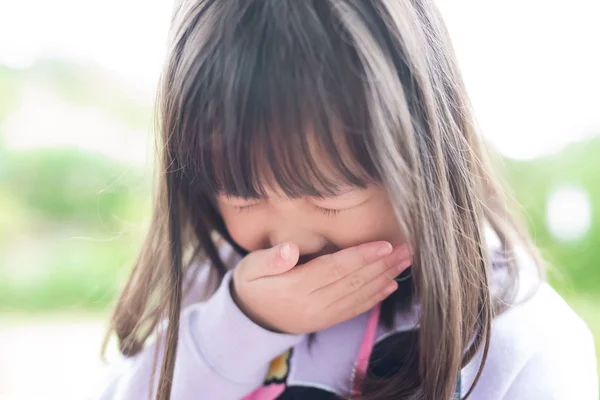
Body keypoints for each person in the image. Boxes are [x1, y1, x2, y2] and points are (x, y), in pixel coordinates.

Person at [95, 1, 598, 399]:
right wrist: (243, 325)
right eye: (243, 196)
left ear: (422, 161)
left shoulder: (513, 339)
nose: (288, 243)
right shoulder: (215, 285)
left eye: (328, 197)